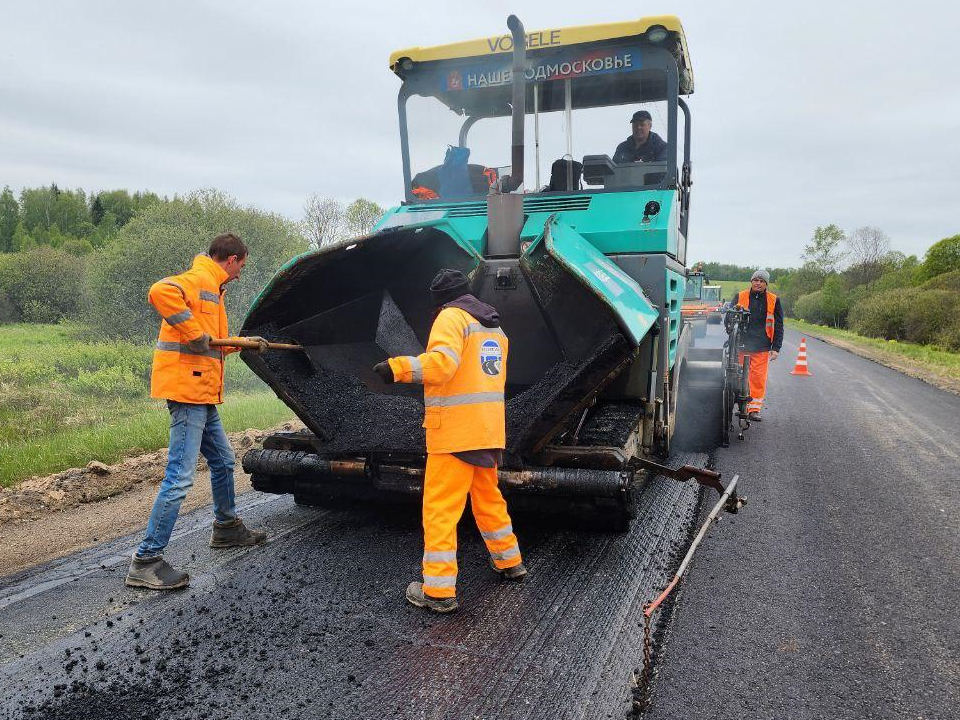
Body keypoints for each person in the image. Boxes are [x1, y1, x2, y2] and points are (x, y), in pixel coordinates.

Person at [373, 269, 526, 613]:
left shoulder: (450, 318)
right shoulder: (495, 328)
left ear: (441, 300)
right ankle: (509, 561)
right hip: (488, 431)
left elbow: (442, 366)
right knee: (488, 499)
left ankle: (438, 591)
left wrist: (396, 368)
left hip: (455, 434)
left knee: (440, 509)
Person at [125, 233, 270, 591]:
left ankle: (226, 528)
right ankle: (146, 561)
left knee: (222, 460)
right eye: (241, 267)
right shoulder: (200, 279)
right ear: (232, 259)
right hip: (188, 393)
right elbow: (160, 291)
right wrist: (192, 332)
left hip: (202, 392)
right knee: (180, 478)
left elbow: (212, 346)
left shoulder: (215, 292)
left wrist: (245, 343)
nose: (240, 275)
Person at [736, 269, 784, 421]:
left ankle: (754, 409)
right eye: (756, 280)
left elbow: (779, 325)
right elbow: (729, 318)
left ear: (766, 284)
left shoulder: (774, 300)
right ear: (751, 281)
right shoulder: (740, 296)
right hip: (740, 345)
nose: (758, 283)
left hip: (761, 347)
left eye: (762, 281)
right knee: (737, 377)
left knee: (757, 379)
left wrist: (776, 348)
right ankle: (740, 405)